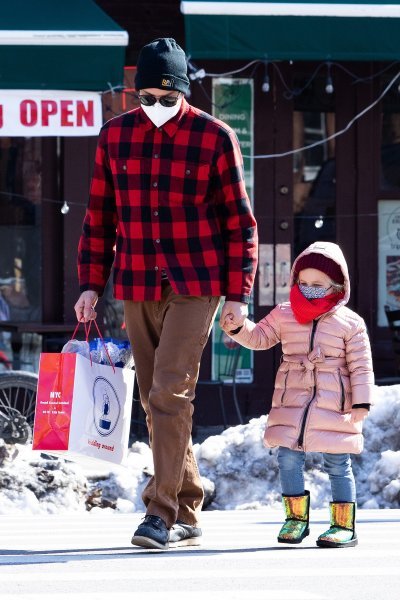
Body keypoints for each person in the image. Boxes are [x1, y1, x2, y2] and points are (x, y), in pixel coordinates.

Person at [74, 37, 258, 550]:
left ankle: (159, 512)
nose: (154, 106)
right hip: (133, 280)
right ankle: (190, 504)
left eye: (165, 96)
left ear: (182, 91)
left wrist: (238, 295)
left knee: (168, 393)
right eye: (145, 97)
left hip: (197, 284)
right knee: (159, 401)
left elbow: (240, 224)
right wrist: (91, 283)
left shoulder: (214, 137)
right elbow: (99, 217)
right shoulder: (114, 137)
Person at [221, 241, 374, 548]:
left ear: (337, 285)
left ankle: (344, 525)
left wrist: (361, 401)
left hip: (334, 399)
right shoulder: (284, 313)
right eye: (303, 282)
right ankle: (295, 519)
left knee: (336, 461)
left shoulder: (350, 323)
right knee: (288, 457)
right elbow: (260, 337)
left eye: (318, 284)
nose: (309, 289)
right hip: (292, 395)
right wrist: (238, 328)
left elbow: (360, 364)